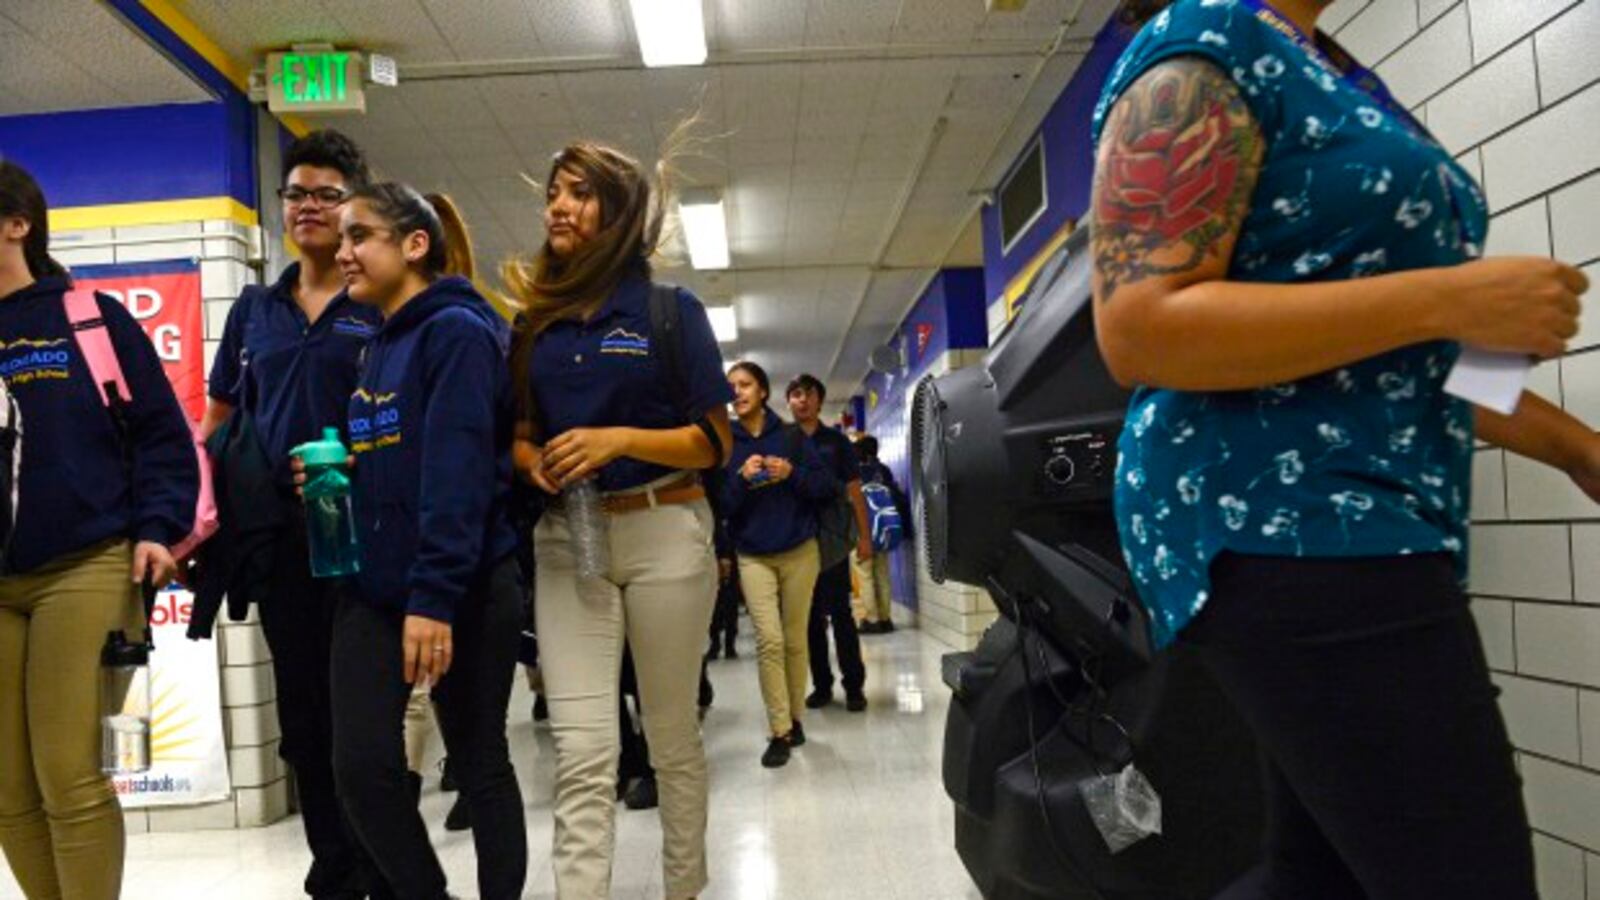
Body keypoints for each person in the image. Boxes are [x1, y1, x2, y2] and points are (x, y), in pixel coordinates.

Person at [1091, 1, 1595, 896]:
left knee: (1324, 878)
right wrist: (1448, 300)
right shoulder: (1207, 38)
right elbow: (1140, 328)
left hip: (1366, 517)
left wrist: (1579, 450)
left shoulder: (1328, 64)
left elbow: (1406, 361)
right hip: (1285, 518)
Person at [506, 139, 732, 900]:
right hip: (566, 538)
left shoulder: (671, 312)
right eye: (553, 192)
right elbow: (520, 433)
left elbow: (714, 442)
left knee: (670, 737)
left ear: (620, 212)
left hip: (665, 529)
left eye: (579, 193)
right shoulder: (534, 324)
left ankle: (684, 888)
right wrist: (529, 461)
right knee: (582, 751)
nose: (558, 207)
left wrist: (620, 439)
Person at [315, 183, 526, 900]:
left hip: (462, 584)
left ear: (414, 244)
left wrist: (433, 598)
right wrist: (344, 469)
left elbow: (457, 473)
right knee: (360, 766)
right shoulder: (376, 346)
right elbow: (400, 455)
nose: (343, 252)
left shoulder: (457, 333)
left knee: (478, 762)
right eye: (341, 238)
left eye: (359, 236)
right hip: (376, 586)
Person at [0, 160, 199, 899]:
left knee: (69, 772)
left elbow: (161, 436)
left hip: (85, 564)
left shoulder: (90, 318)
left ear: (17, 225)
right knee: (7, 786)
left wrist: (157, 528)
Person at [201, 129, 387, 900]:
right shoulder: (255, 311)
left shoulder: (377, 303)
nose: (309, 206)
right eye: (297, 193)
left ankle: (383, 865)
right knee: (305, 717)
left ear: (354, 207)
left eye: (327, 195)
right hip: (278, 537)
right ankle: (334, 870)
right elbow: (218, 416)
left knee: (363, 719)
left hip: (365, 530)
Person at [724, 361, 838, 768]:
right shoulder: (726, 442)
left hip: (799, 551)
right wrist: (740, 478)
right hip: (753, 555)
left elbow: (825, 487)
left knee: (794, 640)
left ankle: (795, 717)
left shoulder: (791, 437)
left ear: (762, 391)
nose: (737, 392)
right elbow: (721, 505)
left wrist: (791, 473)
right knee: (768, 641)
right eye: (731, 386)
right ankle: (779, 730)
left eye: (745, 384)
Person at [785, 374, 871, 712]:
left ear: (819, 401)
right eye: (795, 394)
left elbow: (854, 491)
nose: (802, 400)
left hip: (833, 541)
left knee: (841, 614)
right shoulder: (783, 441)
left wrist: (864, 537)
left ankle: (854, 686)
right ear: (789, 401)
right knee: (809, 619)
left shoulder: (836, 442)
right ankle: (822, 686)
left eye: (808, 394)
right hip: (797, 539)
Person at [853, 435, 902, 633]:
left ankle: (871, 620)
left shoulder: (854, 471)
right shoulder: (884, 471)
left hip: (862, 531)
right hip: (883, 531)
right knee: (882, 574)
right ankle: (885, 618)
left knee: (865, 574)